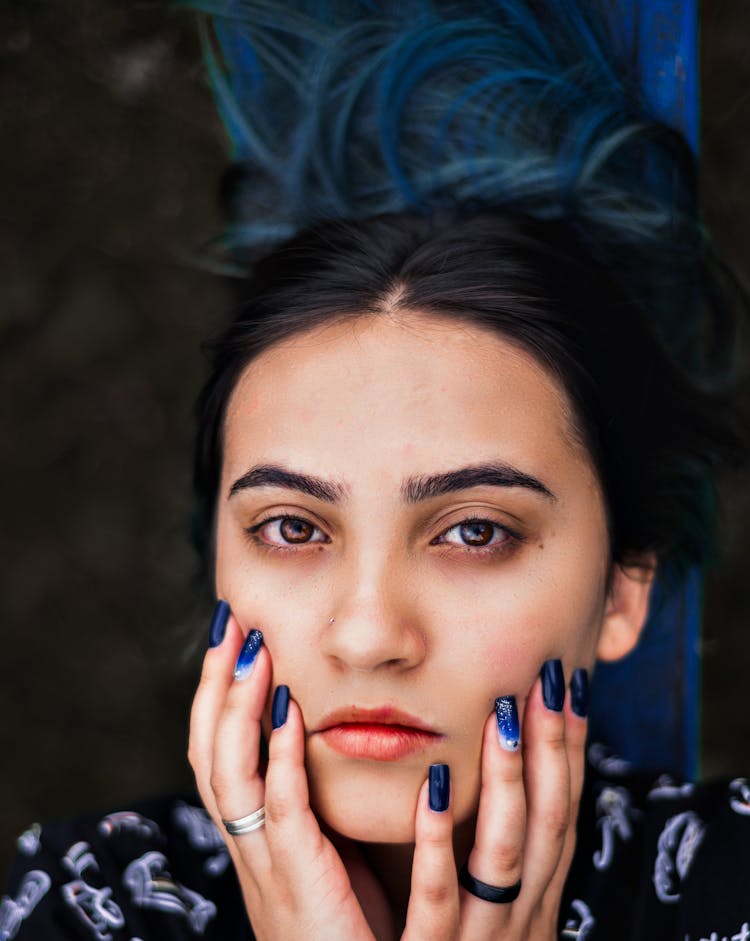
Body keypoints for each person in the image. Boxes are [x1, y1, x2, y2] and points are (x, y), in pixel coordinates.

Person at [3, 2, 748, 940]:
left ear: (624, 587)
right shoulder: (90, 902)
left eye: (475, 530)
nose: (368, 636)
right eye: (292, 527)